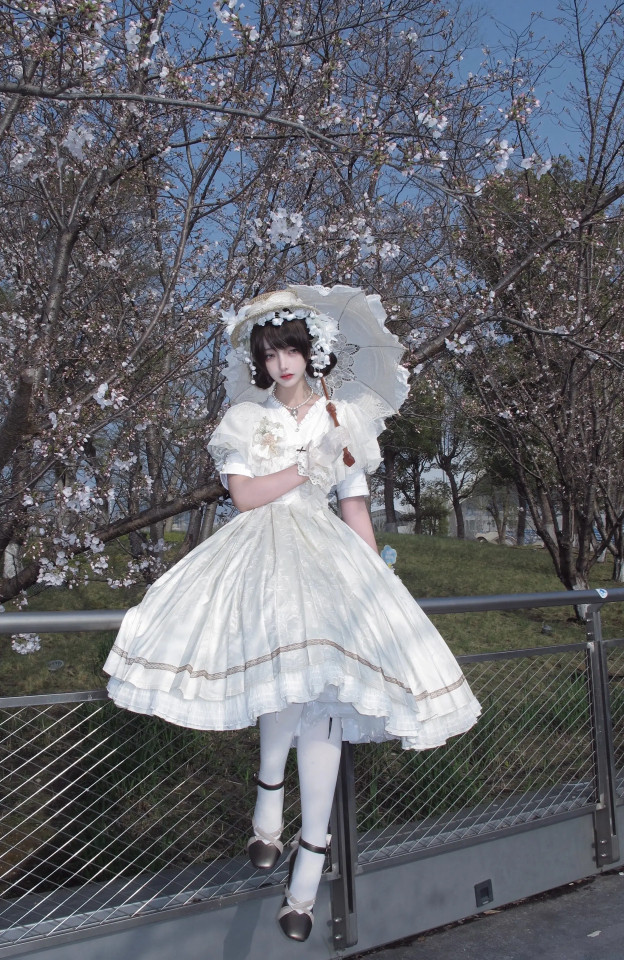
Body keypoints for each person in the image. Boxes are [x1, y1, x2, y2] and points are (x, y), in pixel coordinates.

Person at [104, 289, 480, 943]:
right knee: (283, 677)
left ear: (311, 352)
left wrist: (377, 580)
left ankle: (307, 872)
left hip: (329, 559)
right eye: (271, 353)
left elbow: (354, 507)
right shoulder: (244, 418)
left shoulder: (342, 418)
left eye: (291, 350)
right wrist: (303, 467)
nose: (282, 363)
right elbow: (246, 496)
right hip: (263, 554)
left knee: (325, 701)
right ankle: (269, 798)